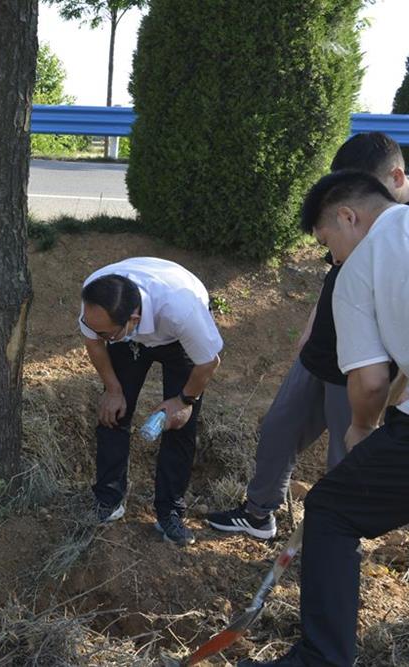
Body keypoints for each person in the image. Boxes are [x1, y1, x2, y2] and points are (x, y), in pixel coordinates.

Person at [238, 171, 409, 666]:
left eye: (327, 242)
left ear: (347, 217)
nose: (332, 258)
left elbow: (370, 381)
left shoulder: (358, 269)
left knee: (331, 509)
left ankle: (321, 658)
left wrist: (362, 428)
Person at [208, 132, 409, 539]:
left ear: (396, 178)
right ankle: (259, 513)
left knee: (348, 458)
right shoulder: (351, 217)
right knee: (279, 428)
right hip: (323, 349)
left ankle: (335, 545)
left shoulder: (392, 226)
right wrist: (315, 319)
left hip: (365, 365)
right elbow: (337, 269)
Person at [79, 258, 223, 547]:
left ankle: (170, 511)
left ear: (133, 320)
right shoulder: (96, 296)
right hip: (127, 339)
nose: (100, 335)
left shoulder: (182, 310)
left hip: (176, 338)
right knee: (113, 412)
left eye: (106, 333)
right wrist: (113, 389)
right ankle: (108, 499)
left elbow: (208, 362)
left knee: (179, 424)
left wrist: (184, 401)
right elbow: (94, 342)